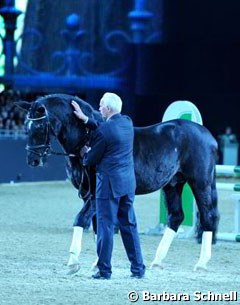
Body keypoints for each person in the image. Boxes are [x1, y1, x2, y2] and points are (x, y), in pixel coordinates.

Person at [71, 92, 145, 279]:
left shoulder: (103, 132)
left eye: (102, 105)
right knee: (129, 225)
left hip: (109, 187)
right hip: (127, 184)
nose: (99, 108)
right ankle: (138, 269)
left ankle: (104, 270)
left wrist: (83, 152)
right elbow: (105, 129)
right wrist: (86, 119)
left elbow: (90, 160)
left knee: (105, 226)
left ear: (109, 108)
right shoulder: (127, 122)